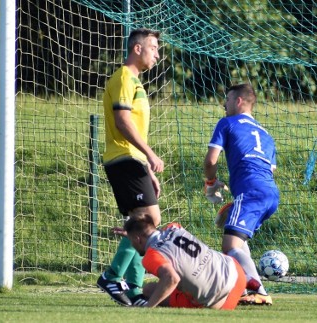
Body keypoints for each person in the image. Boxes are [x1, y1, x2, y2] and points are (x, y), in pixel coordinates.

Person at [96, 28, 164, 307]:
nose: (157, 55)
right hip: (123, 158)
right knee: (150, 220)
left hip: (132, 160)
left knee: (140, 223)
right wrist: (150, 154)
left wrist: (147, 169)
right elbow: (123, 122)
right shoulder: (125, 78)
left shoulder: (136, 82)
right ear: (137, 49)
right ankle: (112, 276)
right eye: (154, 48)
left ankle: (135, 290)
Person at [203, 83, 280, 305]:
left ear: (238, 101)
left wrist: (211, 183)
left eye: (227, 100)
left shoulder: (226, 123)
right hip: (270, 193)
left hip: (251, 191)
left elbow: (210, 161)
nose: (224, 105)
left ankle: (260, 291)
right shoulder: (267, 135)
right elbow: (269, 169)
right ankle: (253, 290)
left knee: (230, 246)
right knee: (239, 241)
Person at [122, 212, 247, 309]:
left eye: (131, 241)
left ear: (138, 239)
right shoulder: (174, 227)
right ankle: (252, 283)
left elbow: (172, 279)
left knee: (149, 289)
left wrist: (147, 308)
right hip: (238, 275)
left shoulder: (151, 255)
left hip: (221, 301)